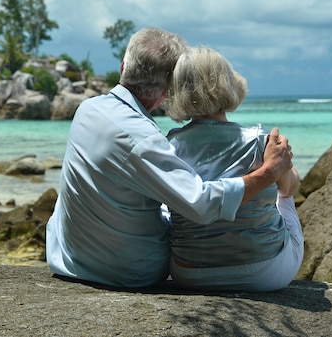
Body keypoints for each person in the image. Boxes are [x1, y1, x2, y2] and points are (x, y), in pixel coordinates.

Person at [45, 27, 293, 288]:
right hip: (128, 271)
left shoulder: (88, 109)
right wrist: (268, 173)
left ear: (123, 67)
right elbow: (200, 203)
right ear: (169, 88)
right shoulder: (141, 139)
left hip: (66, 256)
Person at [163, 46, 304, 292]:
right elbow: (291, 188)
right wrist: (285, 164)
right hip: (264, 272)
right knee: (286, 193)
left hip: (188, 272)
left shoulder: (167, 147)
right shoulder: (261, 141)